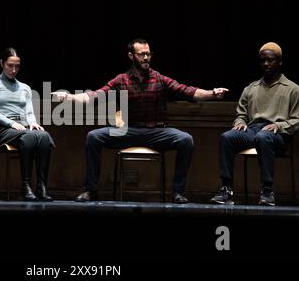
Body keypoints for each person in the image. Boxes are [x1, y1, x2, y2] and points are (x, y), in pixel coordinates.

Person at [53, 38, 228, 203]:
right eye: (141, 54)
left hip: (157, 132)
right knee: (94, 136)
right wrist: (68, 97)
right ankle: (91, 190)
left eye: (148, 54)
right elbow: (94, 96)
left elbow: (188, 91)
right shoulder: (121, 80)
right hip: (128, 131)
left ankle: (177, 192)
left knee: (185, 140)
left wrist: (212, 93)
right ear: (131, 56)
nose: (146, 57)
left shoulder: (159, 78)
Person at [211, 42, 299, 206]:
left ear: (279, 61)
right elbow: (241, 113)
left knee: (263, 137)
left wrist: (279, 126)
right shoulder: (251, 88)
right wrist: (240, 122)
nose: (266, 63)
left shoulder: (292, 89)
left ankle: (267, 190)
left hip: (278, 135)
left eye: (270, 60)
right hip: (253, 131)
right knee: (227, 137)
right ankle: (226, 189)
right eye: (263, 60)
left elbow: (297, 119)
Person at [0, 47, 55, 201]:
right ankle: (25, 185)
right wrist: (11, 123)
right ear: (1, 63)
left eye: (17, 66)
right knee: (29, 137)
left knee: (44, 136)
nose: (14, 70)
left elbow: (29, 111)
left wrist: (33, 123)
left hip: (24, 128)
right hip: (4, 130)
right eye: (10, 65)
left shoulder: (25, 87)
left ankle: (41, 187)